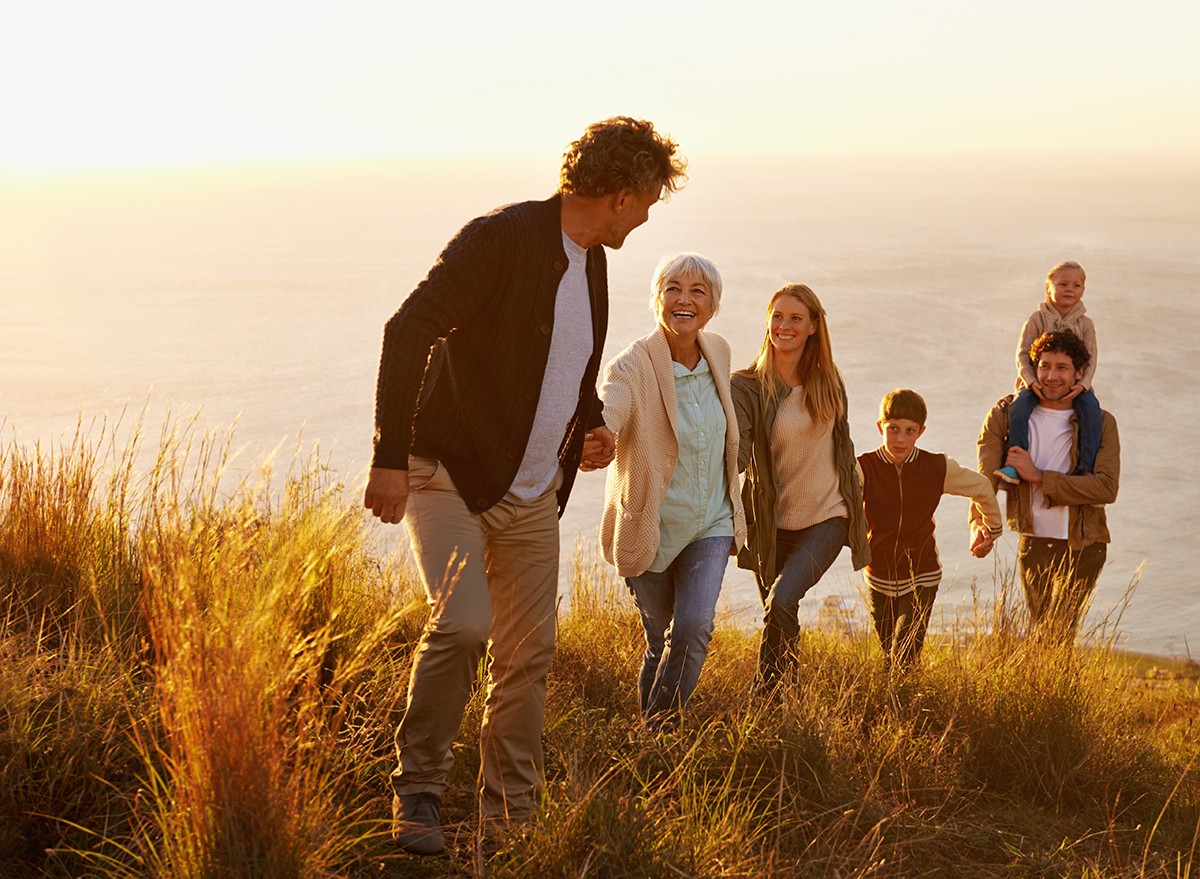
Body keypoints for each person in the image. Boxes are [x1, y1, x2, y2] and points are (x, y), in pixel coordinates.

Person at [364, 117, 686, 855]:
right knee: (464, 624)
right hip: (449, 474)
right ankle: (417, 789)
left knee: (527, 655)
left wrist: (594, 423)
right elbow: (406, 329)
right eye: (645, 203)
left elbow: (563, 366)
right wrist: (390, 455)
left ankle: (509, 817)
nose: (644, 217)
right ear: (618, 194)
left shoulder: (591, 260)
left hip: (534, 494)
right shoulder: (500, 239)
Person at [597, 253, 746, 727]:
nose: (684, 299)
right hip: (652, 525)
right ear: (657, 299)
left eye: (697, 291)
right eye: (673, 289)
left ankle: (658, 731)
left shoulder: (718, 351)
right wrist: (598, 436)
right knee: (659, 640)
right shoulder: (632, 365)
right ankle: (650, 737)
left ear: (712, 305)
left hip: (711, 521)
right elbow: (610, 409)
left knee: (695, 627)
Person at [731, 284, 870, 691]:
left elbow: (844, 448)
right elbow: (736, 451)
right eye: (777, 316)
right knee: (778, 614)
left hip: (827, 517)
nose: (784, 325)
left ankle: (765, 698)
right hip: (770, 525)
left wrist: (863, 507)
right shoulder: (746, 386)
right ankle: (789, 704)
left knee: (781, 602)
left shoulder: (829, 382)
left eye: (795, 318)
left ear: (813, 326)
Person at [977, 330, 1120, 640]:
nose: (1051, 376)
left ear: (1079, 373)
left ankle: (1060, 687)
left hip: (1085, 543)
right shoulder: (1008, 415)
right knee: (1042, 632)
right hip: (1034, 541)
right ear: (1033, 368)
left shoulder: (1102, 422)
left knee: (1061, 633)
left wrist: (1039, 476)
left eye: (1062, 368)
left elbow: (1106, 488)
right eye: (1044, 366)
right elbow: (985, 480)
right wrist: (979, 523)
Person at [859, 388, 1003, 668]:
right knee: (890, 655)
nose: (901, 439)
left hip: (922, 575)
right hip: (877, 575)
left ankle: (903, 707)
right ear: (880, 427)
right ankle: (895, 707)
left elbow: (983, 487)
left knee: (905, 656)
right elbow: (839, 504)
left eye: (909, 431)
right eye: (893, 429)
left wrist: (992, 530)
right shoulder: (864, 468)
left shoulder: (936, 467)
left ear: (921, 431)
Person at [995, 261, 1102, 485]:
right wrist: (1031, 381)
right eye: (1062, 284)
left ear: (1083, 290)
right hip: (1036, 382)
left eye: (1076, 285)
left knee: (1091, 409)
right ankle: (1015, 463)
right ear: (1048, 288)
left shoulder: (1085, 324)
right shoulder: (1037, 319)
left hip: (1075, 385)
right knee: (1020, 406)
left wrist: (1082, 385)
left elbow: (1091, 359)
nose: (1069, 289)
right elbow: (1022, 355)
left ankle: (1086, 469)